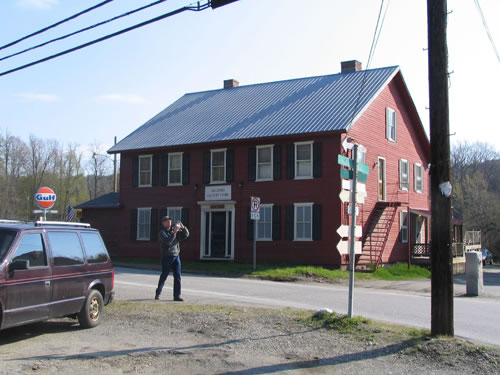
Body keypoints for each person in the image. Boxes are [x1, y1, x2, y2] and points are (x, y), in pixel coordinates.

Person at [155, 216, 189, 301]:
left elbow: (185, 235)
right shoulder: (162, 233)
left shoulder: (174, 230)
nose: (169, 222)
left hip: (176, 255)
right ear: (163, 223)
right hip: (166, 256)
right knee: (164, 275)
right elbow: (167, 242)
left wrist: (183, 227)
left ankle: (177, 296)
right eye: (167, 221)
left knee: (177, 276)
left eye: (170, 220)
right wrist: (174, 232)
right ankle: (158, 292)